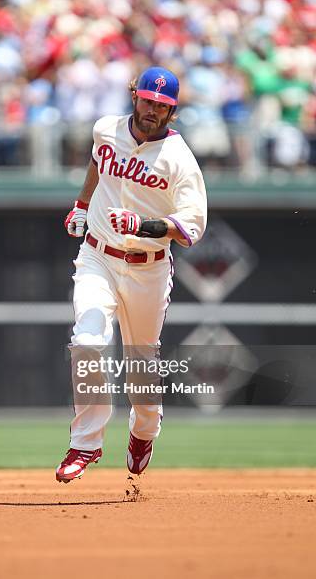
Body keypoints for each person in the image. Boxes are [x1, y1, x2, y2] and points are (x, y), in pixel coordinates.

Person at [56, 66, 207, 483]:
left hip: (148, 268)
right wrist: (83, 206)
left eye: (162, 106)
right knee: (87, 342)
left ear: (172, 112)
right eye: (147, 100)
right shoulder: (106, 129)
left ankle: (144, 430)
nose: (152, 110)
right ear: (133, 96)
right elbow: (97, 163)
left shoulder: (179, 160)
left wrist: (142, 225)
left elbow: (191, 229)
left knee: (141, 360)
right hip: (97, 257)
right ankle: (85, 443)